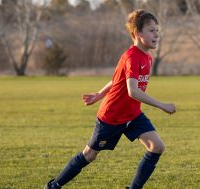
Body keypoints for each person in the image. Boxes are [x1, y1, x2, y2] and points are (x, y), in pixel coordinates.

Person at [44, 9, 176, 189]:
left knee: (157, 146)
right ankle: (53, 186)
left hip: (132, 115)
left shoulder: (147, 57)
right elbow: (133, 91)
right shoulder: (131, 56)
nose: (156, 35)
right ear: (137, 33)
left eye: (157, 30)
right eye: (151, 30)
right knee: (89, 155)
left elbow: (117, 79)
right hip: (112, 117)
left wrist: (98, 94)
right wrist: (162, 105)